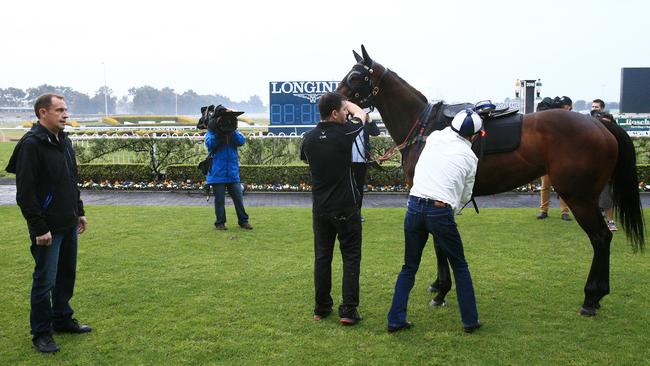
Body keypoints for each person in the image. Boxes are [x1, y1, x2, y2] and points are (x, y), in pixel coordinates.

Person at [6, 94, 91, 353]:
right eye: (60, 110)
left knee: (66, 276)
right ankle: (41, 332)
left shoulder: (63, 140)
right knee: (45, 280)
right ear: (43, 113)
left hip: (68, 222)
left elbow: (70, 180)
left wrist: (79, 211)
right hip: (47, 229)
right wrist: (39, 228)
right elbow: (25, 194)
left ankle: (62, 318)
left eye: (66, 110)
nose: (66, 115)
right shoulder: (32, 144)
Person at [386, 109, 482, 334]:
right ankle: (470, 320)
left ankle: (395, 319)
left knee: (409, 267)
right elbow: (466, 194)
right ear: (475, 136)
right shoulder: (471, 158)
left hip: (414, 206)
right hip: (440, 210)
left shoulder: (437, 137)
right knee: (460, 266)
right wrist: (451, 210)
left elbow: (439, 133)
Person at [300, 92, 367, 325]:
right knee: (350, 257)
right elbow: (361, 115)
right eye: (343, 110)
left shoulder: (308, 138)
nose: (346, 113)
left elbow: (306, 159)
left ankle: (321, 307)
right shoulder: (344, 132)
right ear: (335, 112)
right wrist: (349, 103)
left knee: (322, 257)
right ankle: (348, 311)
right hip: (346, 207)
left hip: (320, 208)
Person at [204, 106, 252, 230]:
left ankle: (243, 221)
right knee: (219, 200)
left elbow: (241, 141)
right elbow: (209, 144)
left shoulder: (232, 131)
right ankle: (220, 223)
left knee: (238, 198)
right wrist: (219, 133)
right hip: (217, 172)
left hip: (232, 172)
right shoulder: (212, 131)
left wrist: (231, 131)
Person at [536, 96, 572, 221]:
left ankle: (564, 211)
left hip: (560, 158)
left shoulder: (568, 120)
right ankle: (544, 210)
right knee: (546, 186)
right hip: (549, 158)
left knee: (563, 186)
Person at [591, 99, 618, 231]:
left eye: (596, 107)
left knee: (606, 195)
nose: (594, 109)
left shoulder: (609, 122)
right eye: (592, 106)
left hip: (604, 168)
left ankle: (610, 220)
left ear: (602, 108)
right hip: (591, 168)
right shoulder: (590, 125)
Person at [351, 115, 380, 221]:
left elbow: (376, 132)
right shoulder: (348, 123)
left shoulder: (366, 124)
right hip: (348, 161)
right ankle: (349, 212)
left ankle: (357, 213)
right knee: (349, 188)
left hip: (362, 160)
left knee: (359, 189)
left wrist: (370, 120)